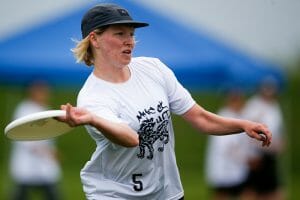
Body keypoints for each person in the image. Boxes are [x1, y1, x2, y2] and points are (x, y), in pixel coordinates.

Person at [57, 3, 272, 200]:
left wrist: (243, 125)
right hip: (114, 195)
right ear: (94, 39)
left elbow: (200, 118)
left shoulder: (154, 69)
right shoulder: (93, 97)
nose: (129, 41)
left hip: (166, 192)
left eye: (131, 34)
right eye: (120, 33)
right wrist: (94, 119)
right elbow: (130, 138)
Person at [9, 80, 62, 200]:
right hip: (26, 162)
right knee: (20, 194)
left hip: (44, 165)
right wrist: (48, 152)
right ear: (31, 92)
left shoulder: (46, 109)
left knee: (52, 193)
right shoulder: (23, 109)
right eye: (41, 91)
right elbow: (24, 137)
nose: (45, 94)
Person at [243, 77, 286, 200]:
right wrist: (250, 154)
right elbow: (247, 132)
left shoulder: (274, 107)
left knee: (273, 191)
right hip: (256, 155)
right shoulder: (253, 105)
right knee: (253, 191)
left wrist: (280, 142)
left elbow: (278, 129)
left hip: (270, 155)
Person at [205, 89, 251, 200]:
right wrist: (246, 159)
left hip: (234, 168)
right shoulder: (225, 118)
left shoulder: (237, 116)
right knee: (223, 195)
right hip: (224, 168)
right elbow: (227, 147)